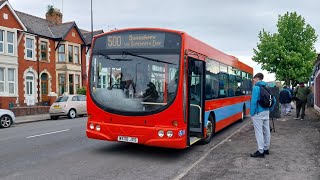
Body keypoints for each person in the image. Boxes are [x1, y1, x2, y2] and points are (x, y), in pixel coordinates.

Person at [250, 73, 276, 158]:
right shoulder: (267, 87)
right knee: (266, 130)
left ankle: (260, 151)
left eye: (254, 78)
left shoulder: (256, 88)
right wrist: (270, 109)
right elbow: (274, 100)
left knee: (259, 132)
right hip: (266, 111)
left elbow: (253, 102)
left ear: (257, 78)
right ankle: (266, 149)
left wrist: (252, 113)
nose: (253, 80)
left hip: (258, 113)